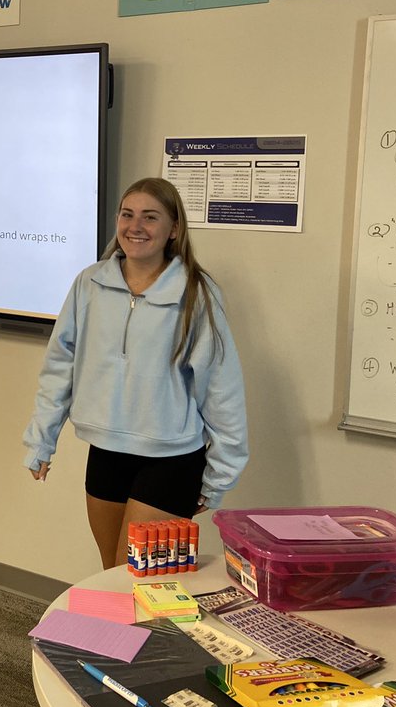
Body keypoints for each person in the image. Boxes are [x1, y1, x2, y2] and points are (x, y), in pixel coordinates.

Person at [22, 177, 248, 570]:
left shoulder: (196, 292)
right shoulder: (90, 283)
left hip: (171, 458)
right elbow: (60, 365)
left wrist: (221, 474)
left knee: (140, 580)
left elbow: (220, 387)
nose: (135, 226)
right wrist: (42, 440)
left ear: (173, 229)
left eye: (150, 217)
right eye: (127, 215)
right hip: (106, 451)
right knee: (111, 574)